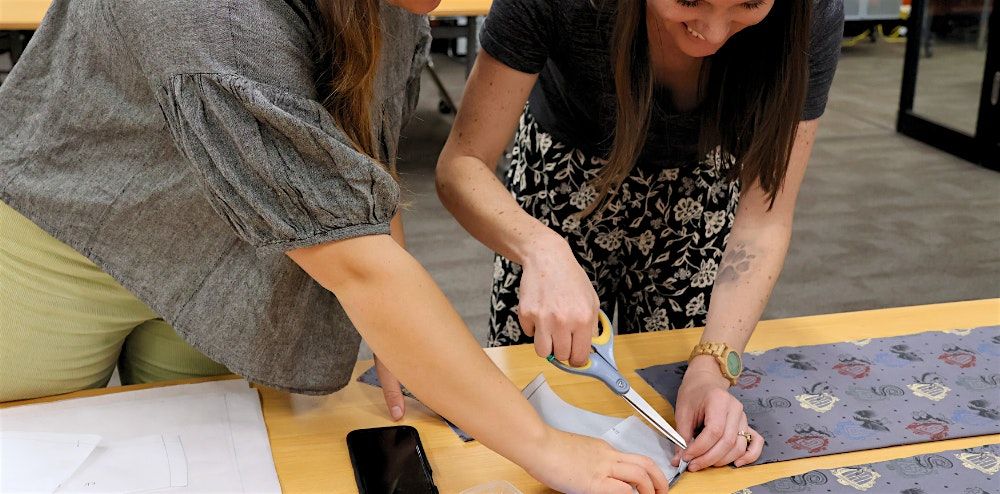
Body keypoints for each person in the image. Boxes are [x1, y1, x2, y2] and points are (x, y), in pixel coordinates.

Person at [0, 0, 669, 491]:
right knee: (29, 456)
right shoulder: (208, 20)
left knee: (210, 466)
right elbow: (358, 265)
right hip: (63, 238)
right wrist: (545, 449)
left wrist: (399, 335)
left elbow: (358, 157)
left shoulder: (397, 7)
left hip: (232, 251)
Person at [436, 0, 844, 472]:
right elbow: (461, 164)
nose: (711, 35)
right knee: (529, 405)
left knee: (676, 399)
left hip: (698, 196)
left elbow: (765, 220)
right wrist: (540, 248)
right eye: (690, 0)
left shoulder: (810, 11)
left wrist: (713, 368)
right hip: (562, 182)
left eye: (747, 6)